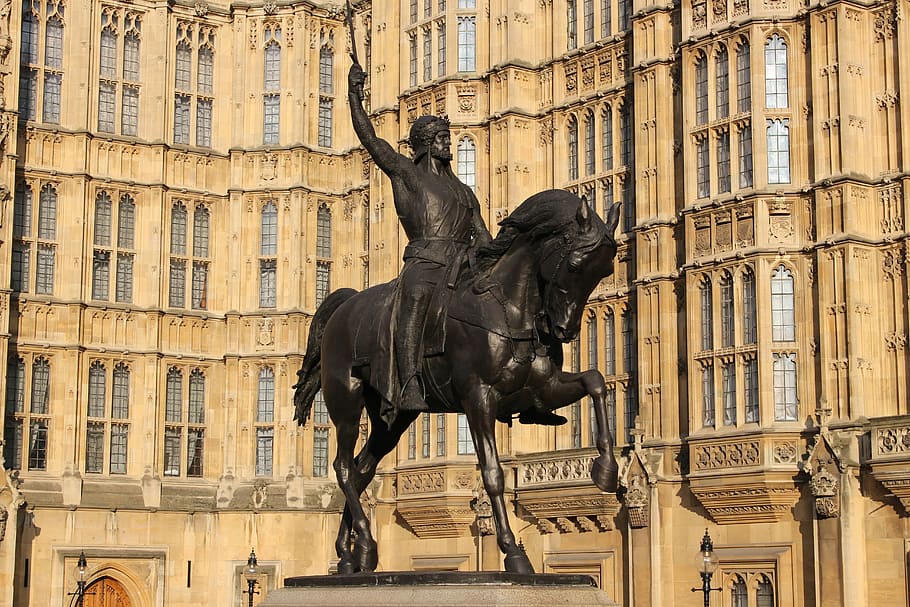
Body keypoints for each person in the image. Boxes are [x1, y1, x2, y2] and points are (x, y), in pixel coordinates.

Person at [348, 62, 492, 425]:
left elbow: (483, 235)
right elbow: (371, 140)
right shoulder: (407, 174)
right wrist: (354, 94)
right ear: (427, 144)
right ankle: (409, 382)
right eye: (443, 137)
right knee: (413, 297)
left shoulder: (463, 191)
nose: (450, 143)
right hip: (425, 264)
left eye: (448, 136)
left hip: (462, 266)